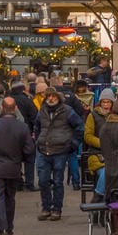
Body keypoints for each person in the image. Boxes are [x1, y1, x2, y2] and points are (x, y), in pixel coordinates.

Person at [0, 97, 35, 235]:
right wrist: (21, 158)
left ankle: (1, 227)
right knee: (10, 197)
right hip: (14, 168)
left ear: (2, 108)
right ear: (15, 108)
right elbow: (29, 149)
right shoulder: (23, 127)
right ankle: (9, 226)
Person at [33, 90, 82, 221]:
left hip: (60, 150)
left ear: (58, 98)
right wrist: (38, 140)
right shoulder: (42, 111)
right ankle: (46, 207)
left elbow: (79, 127)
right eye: (49, 96)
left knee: (57, 182)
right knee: (43, 181)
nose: (51, 98)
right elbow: (37, 126)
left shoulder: (67, 111)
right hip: (44, 150)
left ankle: (56, 209)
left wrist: (73, 144)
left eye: (53, 96)